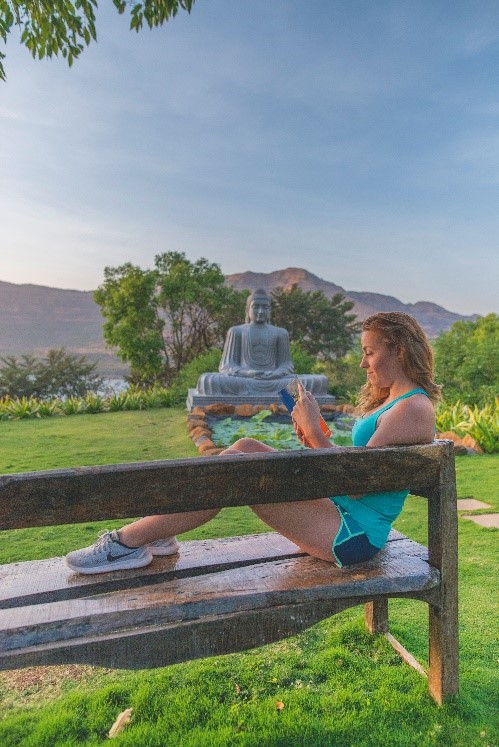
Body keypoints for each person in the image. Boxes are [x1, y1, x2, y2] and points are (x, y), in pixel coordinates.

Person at [65, 312, 440, 574]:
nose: (363, 364)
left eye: (369, 352)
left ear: (399, 351)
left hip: (352, 535)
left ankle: (125, 543)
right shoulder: (399, 402)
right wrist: (312, 435)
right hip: (341, 513)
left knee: (236, 472)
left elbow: (356, 485)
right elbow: (355, 476)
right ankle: (153, 533)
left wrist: (312, 428)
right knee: (245, 448)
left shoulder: (412, 408)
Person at [195, 288, 329, 396]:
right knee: (208, 380)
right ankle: (282, 396)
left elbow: (286, 365)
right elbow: (227, 366)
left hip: (275, 380)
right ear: (248, 310)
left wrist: (276, 373)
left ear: (270, 310)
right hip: (245, 380)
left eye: (265, 307)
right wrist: (248, 373)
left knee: (318, 381)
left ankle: (281, 394)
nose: (260, 311)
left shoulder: (280, 333)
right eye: (256, 307)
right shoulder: (236, 331)